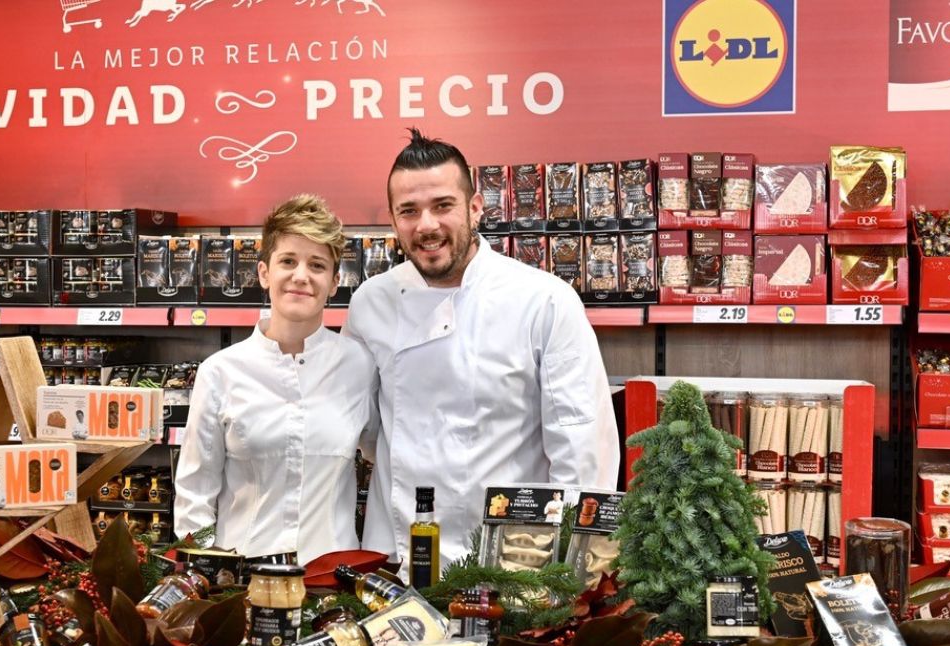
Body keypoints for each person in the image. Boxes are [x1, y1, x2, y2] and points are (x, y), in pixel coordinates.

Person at [344, 129, 620, 574]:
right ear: (394, 220)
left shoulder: (543, 300)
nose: (426, 225)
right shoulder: (370, 302)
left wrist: (567, 572)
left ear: (475, 208)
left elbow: (582, 447)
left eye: (442, 206)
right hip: (396, 556)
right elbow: (367, 430)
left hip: (512, 562)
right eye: (408, 211)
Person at [174, 195, 376, 565]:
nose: (301, 276)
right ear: (265, 272)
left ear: (334, 282)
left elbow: (384, 453)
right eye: (288, 261)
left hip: (331, 584)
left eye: (317, 265)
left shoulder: (360, 367)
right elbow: (195, 494)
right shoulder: (220, 372)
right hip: (243, 583)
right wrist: (204, 576)